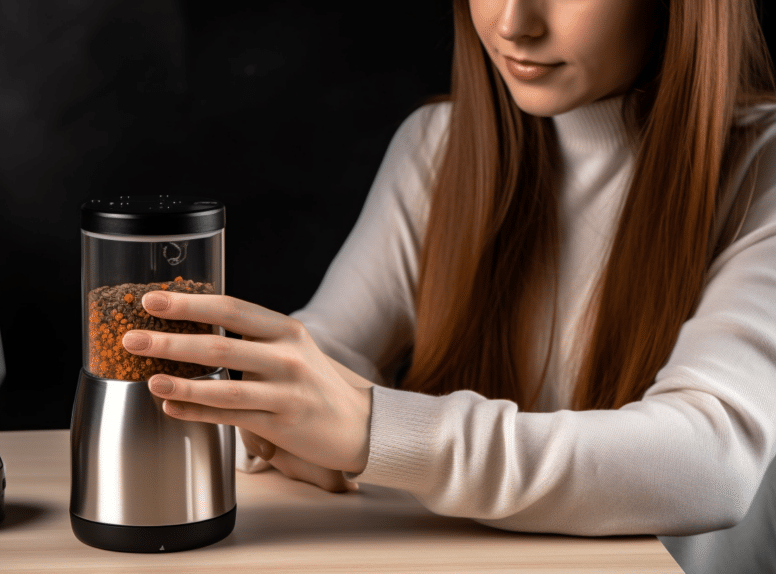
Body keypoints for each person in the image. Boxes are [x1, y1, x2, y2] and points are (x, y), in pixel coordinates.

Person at [120, 0, 776, 571]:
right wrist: (276, 418)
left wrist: (375, 433)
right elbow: (331, 348)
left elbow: (708, 461)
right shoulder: (439, 146)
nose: (514, 24)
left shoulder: (761, 171)